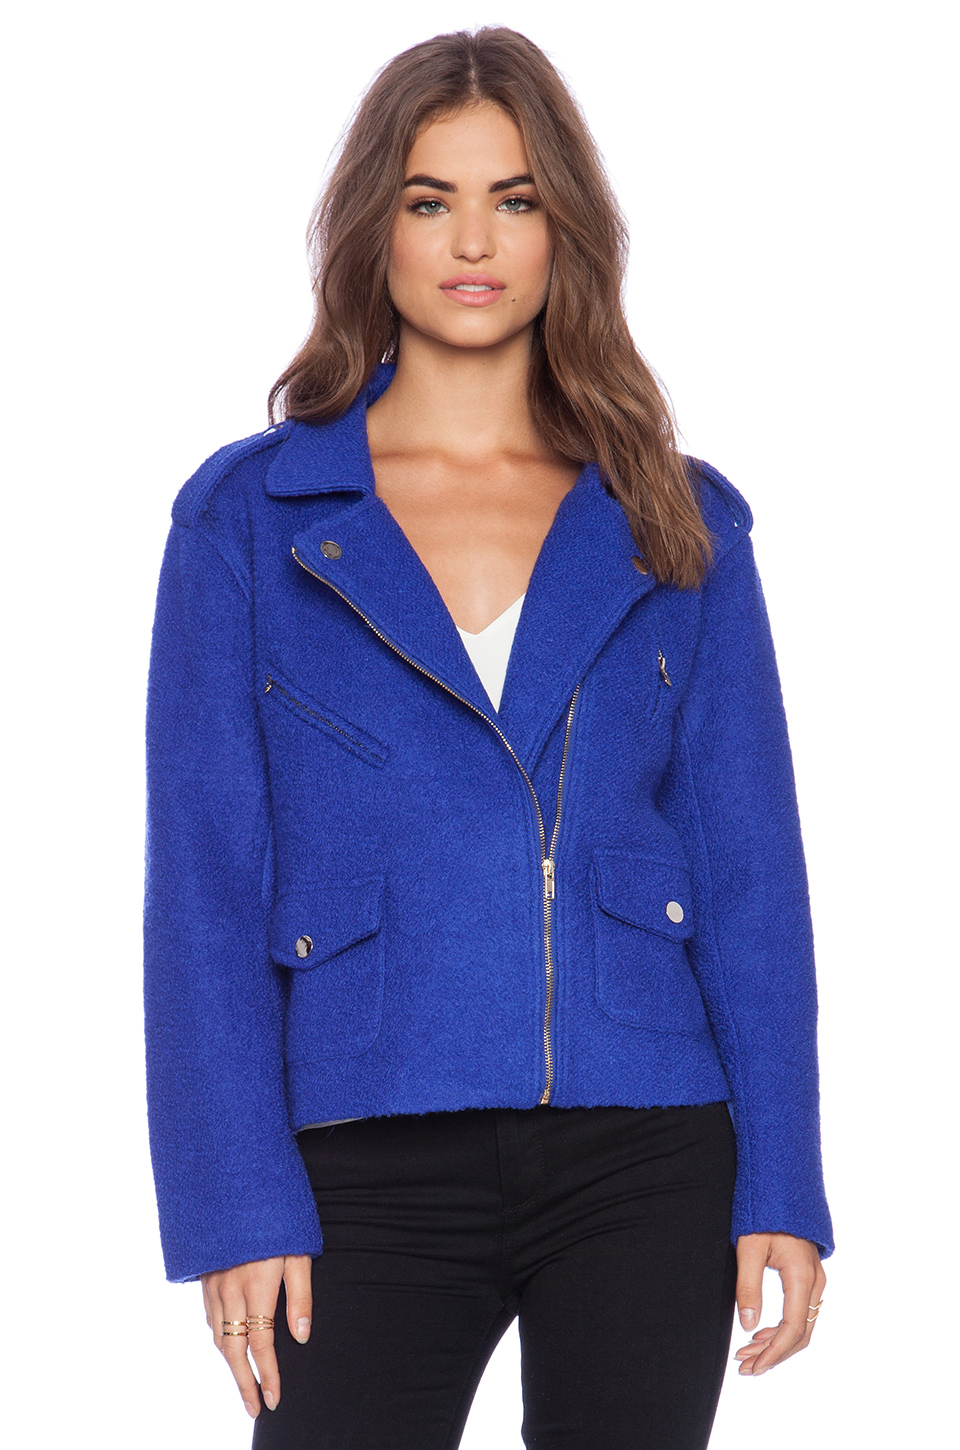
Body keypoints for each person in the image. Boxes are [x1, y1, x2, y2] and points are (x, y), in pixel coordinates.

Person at [143, 25, 833, 1450]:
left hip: (648, 1145)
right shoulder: (247, 520)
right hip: (359, 1146)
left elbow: (752, 872)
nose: (473, 241)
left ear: (563, 228)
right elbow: (201, 884)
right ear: (374, 229)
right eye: (430, 199)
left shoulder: (677, 518)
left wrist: (783, 1176)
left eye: (514, 199)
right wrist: (234, 1199)